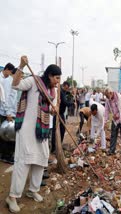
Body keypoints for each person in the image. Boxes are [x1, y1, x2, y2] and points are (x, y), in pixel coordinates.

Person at [6, 56, 61, 213]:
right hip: (26, 129)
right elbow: (15, 85)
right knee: (23, 161)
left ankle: (32, 190)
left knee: (42, 158)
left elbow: (50, 109)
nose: (57, 81)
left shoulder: (52, 91)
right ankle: (12, 197)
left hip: (41, 131)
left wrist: (53, 110)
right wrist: (21, 66)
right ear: (49, 75)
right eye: (56, 78)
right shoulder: (34, 81)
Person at [0, 63, 18, 163]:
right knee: (7, 135)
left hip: (12, 112)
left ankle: (6, 154)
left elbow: (14, 99)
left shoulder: (15, 82)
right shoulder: (8, 82)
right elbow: (5, 98)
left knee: (9, 135)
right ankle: (6, 156)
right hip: (8, 113)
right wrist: (8, 113)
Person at [51, 81, 74, 153]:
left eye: (68, 88)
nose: (67, 89)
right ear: (64, 86)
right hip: (57, 113)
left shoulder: (64, 92)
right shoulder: (60, 91)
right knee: (55, 130)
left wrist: (71, 94)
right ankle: (54, 148)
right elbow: (65, 102)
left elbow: (68, 95)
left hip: (61, 113)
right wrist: (72, 103)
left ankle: (59, 145)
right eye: (67, 87)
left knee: (62, 129)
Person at [104, 87, 121, 157]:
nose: (108, 98)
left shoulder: (119, 97)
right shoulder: (108, 100)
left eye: (108, 96)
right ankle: (112, 150)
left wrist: (117, 115)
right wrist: (105, 120)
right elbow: (106, 110)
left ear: (111, 93)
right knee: (113, 135)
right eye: (107, 97)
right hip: (115, 119)